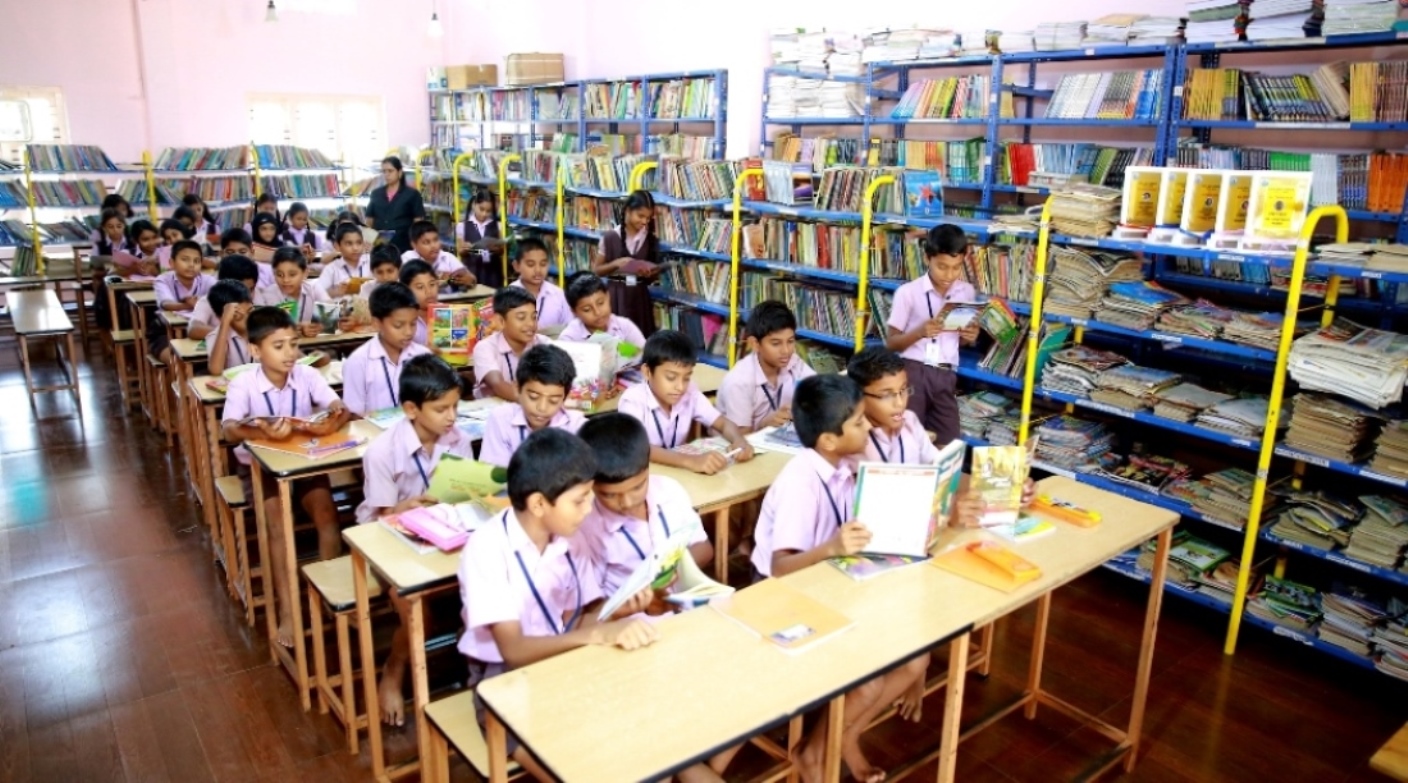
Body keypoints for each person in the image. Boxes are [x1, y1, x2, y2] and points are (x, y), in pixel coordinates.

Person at [749, 374, 928, 783]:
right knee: (868, 683)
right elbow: (780, 569)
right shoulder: (800, 483)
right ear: (829, 440)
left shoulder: (847, 462)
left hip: (831, 585)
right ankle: (815, 753)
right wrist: (832, 548)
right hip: (782, 597)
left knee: (915, 660)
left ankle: (845, 736)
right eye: (860, 422)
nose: (869, 428)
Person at [457, 428, 661, 782]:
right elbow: (513, 651)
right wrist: (597, 635)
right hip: (502, 674)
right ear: (539, 504)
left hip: (562, 654)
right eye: (580, 500)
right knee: (562, 761)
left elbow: (577, 620)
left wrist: (619, 610)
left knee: (639, 719)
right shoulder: (487, 549)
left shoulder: (571, 538)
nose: (590, 508)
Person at [220, 306, 349, 648]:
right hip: (259, 468)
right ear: (255, 350)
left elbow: (339, 407)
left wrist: (329, 423)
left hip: (304, 461)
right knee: (278, 526)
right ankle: (288, 611)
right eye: (278, 346)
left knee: (327, 516)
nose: (289, 353)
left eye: (293, 344)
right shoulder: (244, 383)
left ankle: (328, 596)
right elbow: (229, 429)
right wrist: (261, 432)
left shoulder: (306, 375)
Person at [356, 354, 475, 725]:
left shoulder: (457, 439)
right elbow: (381, 517)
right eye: (441, 409)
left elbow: (464, 493)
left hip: (441, 533)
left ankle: (475, 659)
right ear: (411, 409)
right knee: (414, 609)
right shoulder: (382, 451)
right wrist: (403, 509)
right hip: (387, 537)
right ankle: (393, 670)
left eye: (455, 406)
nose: (452, 417)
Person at [577, 412, 713, 596]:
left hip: (683, 602)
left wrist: (676, 570)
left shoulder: (670, 491)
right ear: (590, 486)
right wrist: (635, 600)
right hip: (633, 611)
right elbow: (592, 600)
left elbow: (704, 548)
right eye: (609, 495)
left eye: (637, 487)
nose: (627, 502)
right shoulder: (588, 527)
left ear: (648, 467)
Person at [884, 224, 978, 446]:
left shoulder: (966, 292)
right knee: (908, 439)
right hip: (913, 372)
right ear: (928, 258)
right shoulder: (908, 293)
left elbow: (960, 341)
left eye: (956, 268)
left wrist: (969, 337)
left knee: (948, 441)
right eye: (942, 267)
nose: (949, 275)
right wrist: (919, 333)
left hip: (946, 374)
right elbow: (891, 343)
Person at [617, 330, 753, 474]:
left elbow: (723, 423)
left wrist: (739, 440)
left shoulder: (690, 393)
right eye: (671, 377)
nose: (681, 387)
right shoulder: (632, 401)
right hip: (644, 475)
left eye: (686, 378)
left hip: (677, 473)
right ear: (647, 372)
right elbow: (638, 448)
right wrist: (690, 461)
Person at [717, 300, 816, 434]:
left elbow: (818, 390)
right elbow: (740, 438)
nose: (786, 351)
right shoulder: (739, 381)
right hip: (736, 443)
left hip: (775, 438)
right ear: (755, 344)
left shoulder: (792, 361)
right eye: (776, 343)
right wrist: (764, 424)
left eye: (790, 341)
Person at [479, 344, 585, 467]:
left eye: (553, 400)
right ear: (517, 389)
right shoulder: (501, 419)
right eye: (533, 397)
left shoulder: (576, 425)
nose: (542, 408)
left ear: (564, 397)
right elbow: (494, 474)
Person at [340, 283, 431, 416]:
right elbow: (354, 414)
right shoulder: (358, 362)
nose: (408, 332)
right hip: (372, 429)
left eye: (413, 324)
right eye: (398, 325)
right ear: (376, 323)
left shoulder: (424, 356)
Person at [591, 189, 660, 338]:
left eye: (648, 218)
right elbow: (596, 271)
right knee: (618, 342)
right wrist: (616, 264)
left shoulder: (650, 239)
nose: (644, 222)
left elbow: (654, 277)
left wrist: (649, 274)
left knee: (639, 340)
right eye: (640, 216)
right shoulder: (610, 238)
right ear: (628, 211)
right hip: (616, 296)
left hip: (639, 298)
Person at [471, 287, 550, 401]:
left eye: (534, 317)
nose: (531, 324)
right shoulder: (485, 348)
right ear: (501, 321)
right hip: (493, 409)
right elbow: (497, 385)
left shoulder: (544, 344)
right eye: (521, 318)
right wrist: (534, 400)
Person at [149, 240, 214, 365]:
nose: (191, 265)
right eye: (185, 260)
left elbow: (220, 298)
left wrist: (198, 304)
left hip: (198, 329)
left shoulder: (208, 280)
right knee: (177, 364)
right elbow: (166, 304)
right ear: (172, 263)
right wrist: (190, 305)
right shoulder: (163, 279)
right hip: (164, 331)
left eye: (196, 261)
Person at [557, 271, 646, 351]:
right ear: (574, 312)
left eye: (600, 303)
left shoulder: (624, 326)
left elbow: (644, 354)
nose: (597, 312)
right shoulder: (569, 339)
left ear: (608, 296)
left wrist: (622, 349)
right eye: (587, 309)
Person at [254, 247, 328, 337]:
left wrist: (316, 327)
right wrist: (299, 328)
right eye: (279, 275)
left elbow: (331, 319)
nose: (286, 280)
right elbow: (267, 329)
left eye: (292, 275)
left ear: (305, 273)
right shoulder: (268, 296)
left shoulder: (313, 288)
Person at [187, 255, 259, 341]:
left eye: (251, 289)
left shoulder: (258, 298)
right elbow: (194, 329)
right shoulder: (209, 301)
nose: (247, 295)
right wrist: (232, 335)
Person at [365, 156, 426, 252]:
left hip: (404, 245)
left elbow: (418, 221)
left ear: (400, 172)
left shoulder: (412, 194)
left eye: (390, 171)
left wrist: (416, 242)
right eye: (384, 171)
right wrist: (368, 241)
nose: (387, 175)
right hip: (379, 246)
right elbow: (369, 220)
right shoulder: (376, 194)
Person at [510, 238, 572, 329]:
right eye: (531, 264)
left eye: (543, 264)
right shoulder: (508, 296)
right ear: (516, 266)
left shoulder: (559, 295)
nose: (538, 270)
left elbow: (570, 327)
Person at [401, 220, 476, 289]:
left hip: (450, 299)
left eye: (436, 240)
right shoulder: (407, 259)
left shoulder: (447, 257)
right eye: (426, 242)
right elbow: (403, 287)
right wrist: (437, 280)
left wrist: (468, 280)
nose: (433, 246)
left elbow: (472, 279)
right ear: (414, 245)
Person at [458, 190, 506, 288]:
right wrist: (467, 248)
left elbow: (501, 251)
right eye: (481, 209)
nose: (484, 214)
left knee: (492, 296)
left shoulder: (497, 226)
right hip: (473, 272)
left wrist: (495, 248)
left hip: (492, 274)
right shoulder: (462, 226)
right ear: (474, 205)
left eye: (488, 211)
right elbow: (460, 251)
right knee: (475, 297)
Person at [205, 281, 255, 375]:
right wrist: (225, 323)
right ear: (221, 317)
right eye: (238, 316)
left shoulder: (261, 327)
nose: (248, 318)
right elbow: (216, 370)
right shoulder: (216, 336)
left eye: (250, 311)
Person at [315, 223, 372, 297]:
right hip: (343, 303)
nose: (355, 248)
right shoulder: (332, 269)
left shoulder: (372, 262)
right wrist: (336, 292)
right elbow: (317, 293)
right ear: (337, 246)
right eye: (349, 244)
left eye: (359, 243)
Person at [400, 260, 441, 348]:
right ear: (406, 290)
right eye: (420, 287)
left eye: (432, 284)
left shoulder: (448, 311)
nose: (429, 292)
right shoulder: (400, 320)